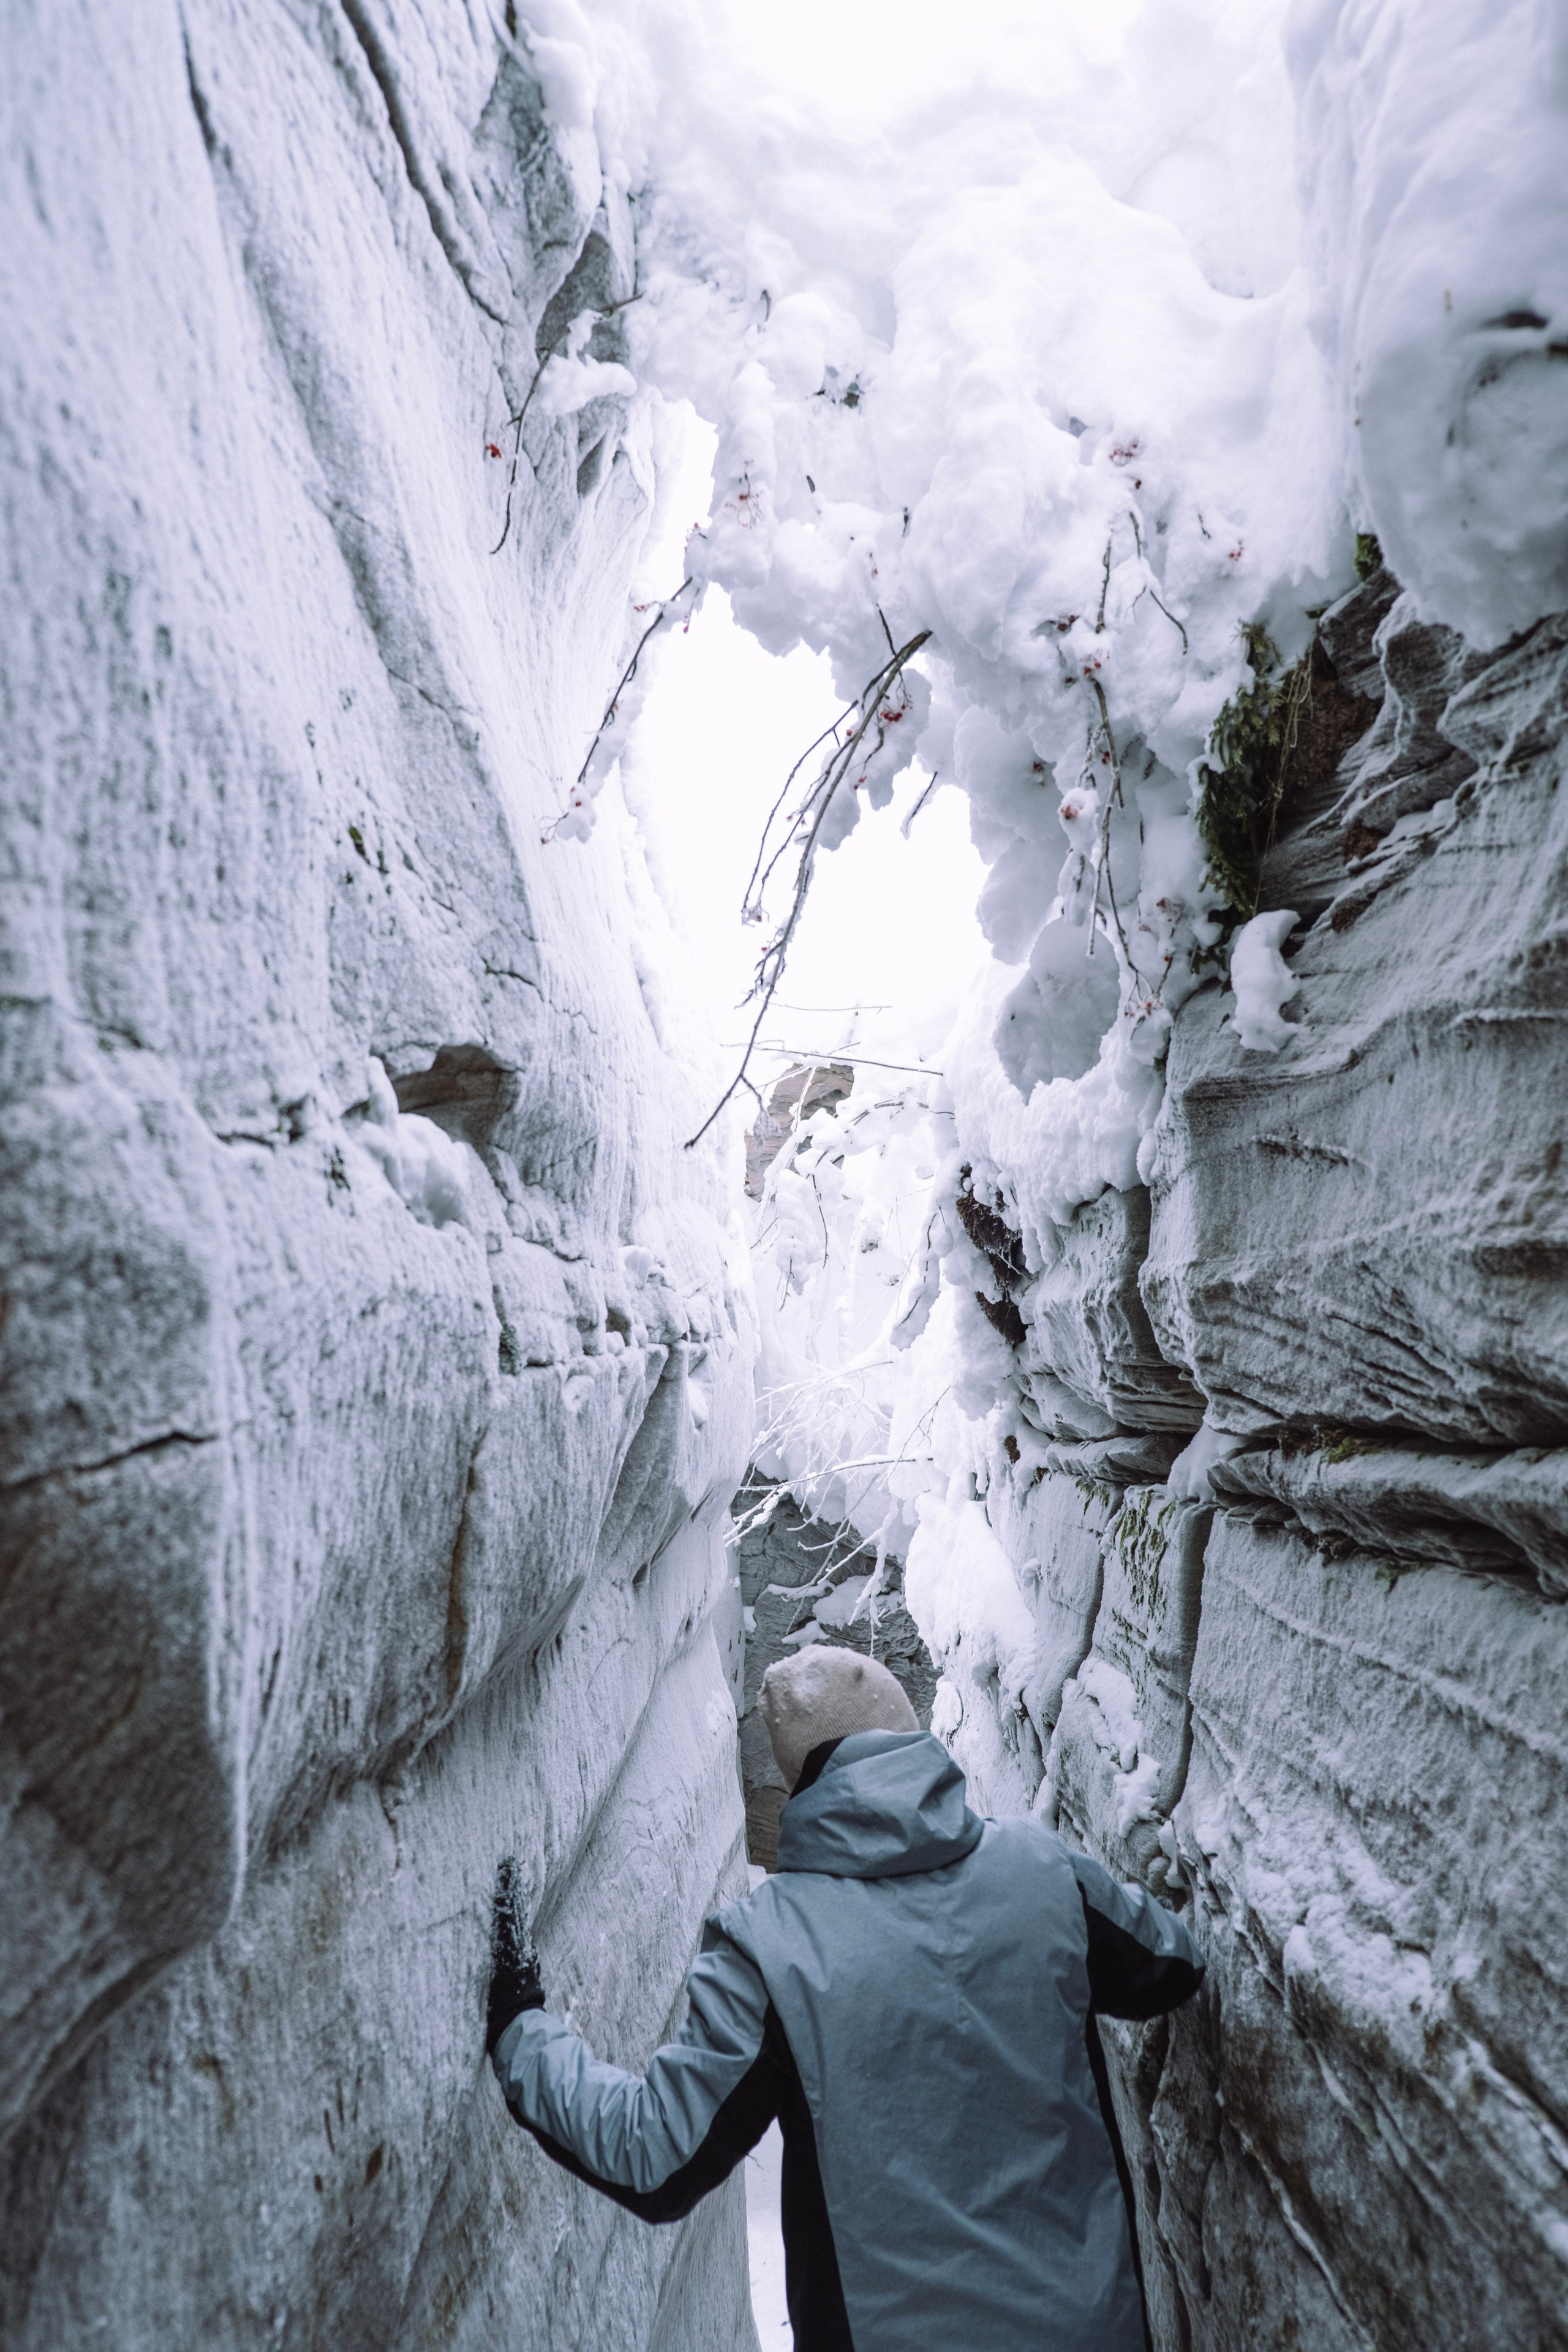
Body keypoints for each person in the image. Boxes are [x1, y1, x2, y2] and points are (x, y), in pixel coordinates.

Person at [485, 1646, 1204, 2350]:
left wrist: (521, 2028)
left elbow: (655, 2156)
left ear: (797, 1776)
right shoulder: (1045, 1871)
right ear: (911, 1731)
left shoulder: (769, 1946)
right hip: (1086, 2327)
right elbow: (1172, 1964)